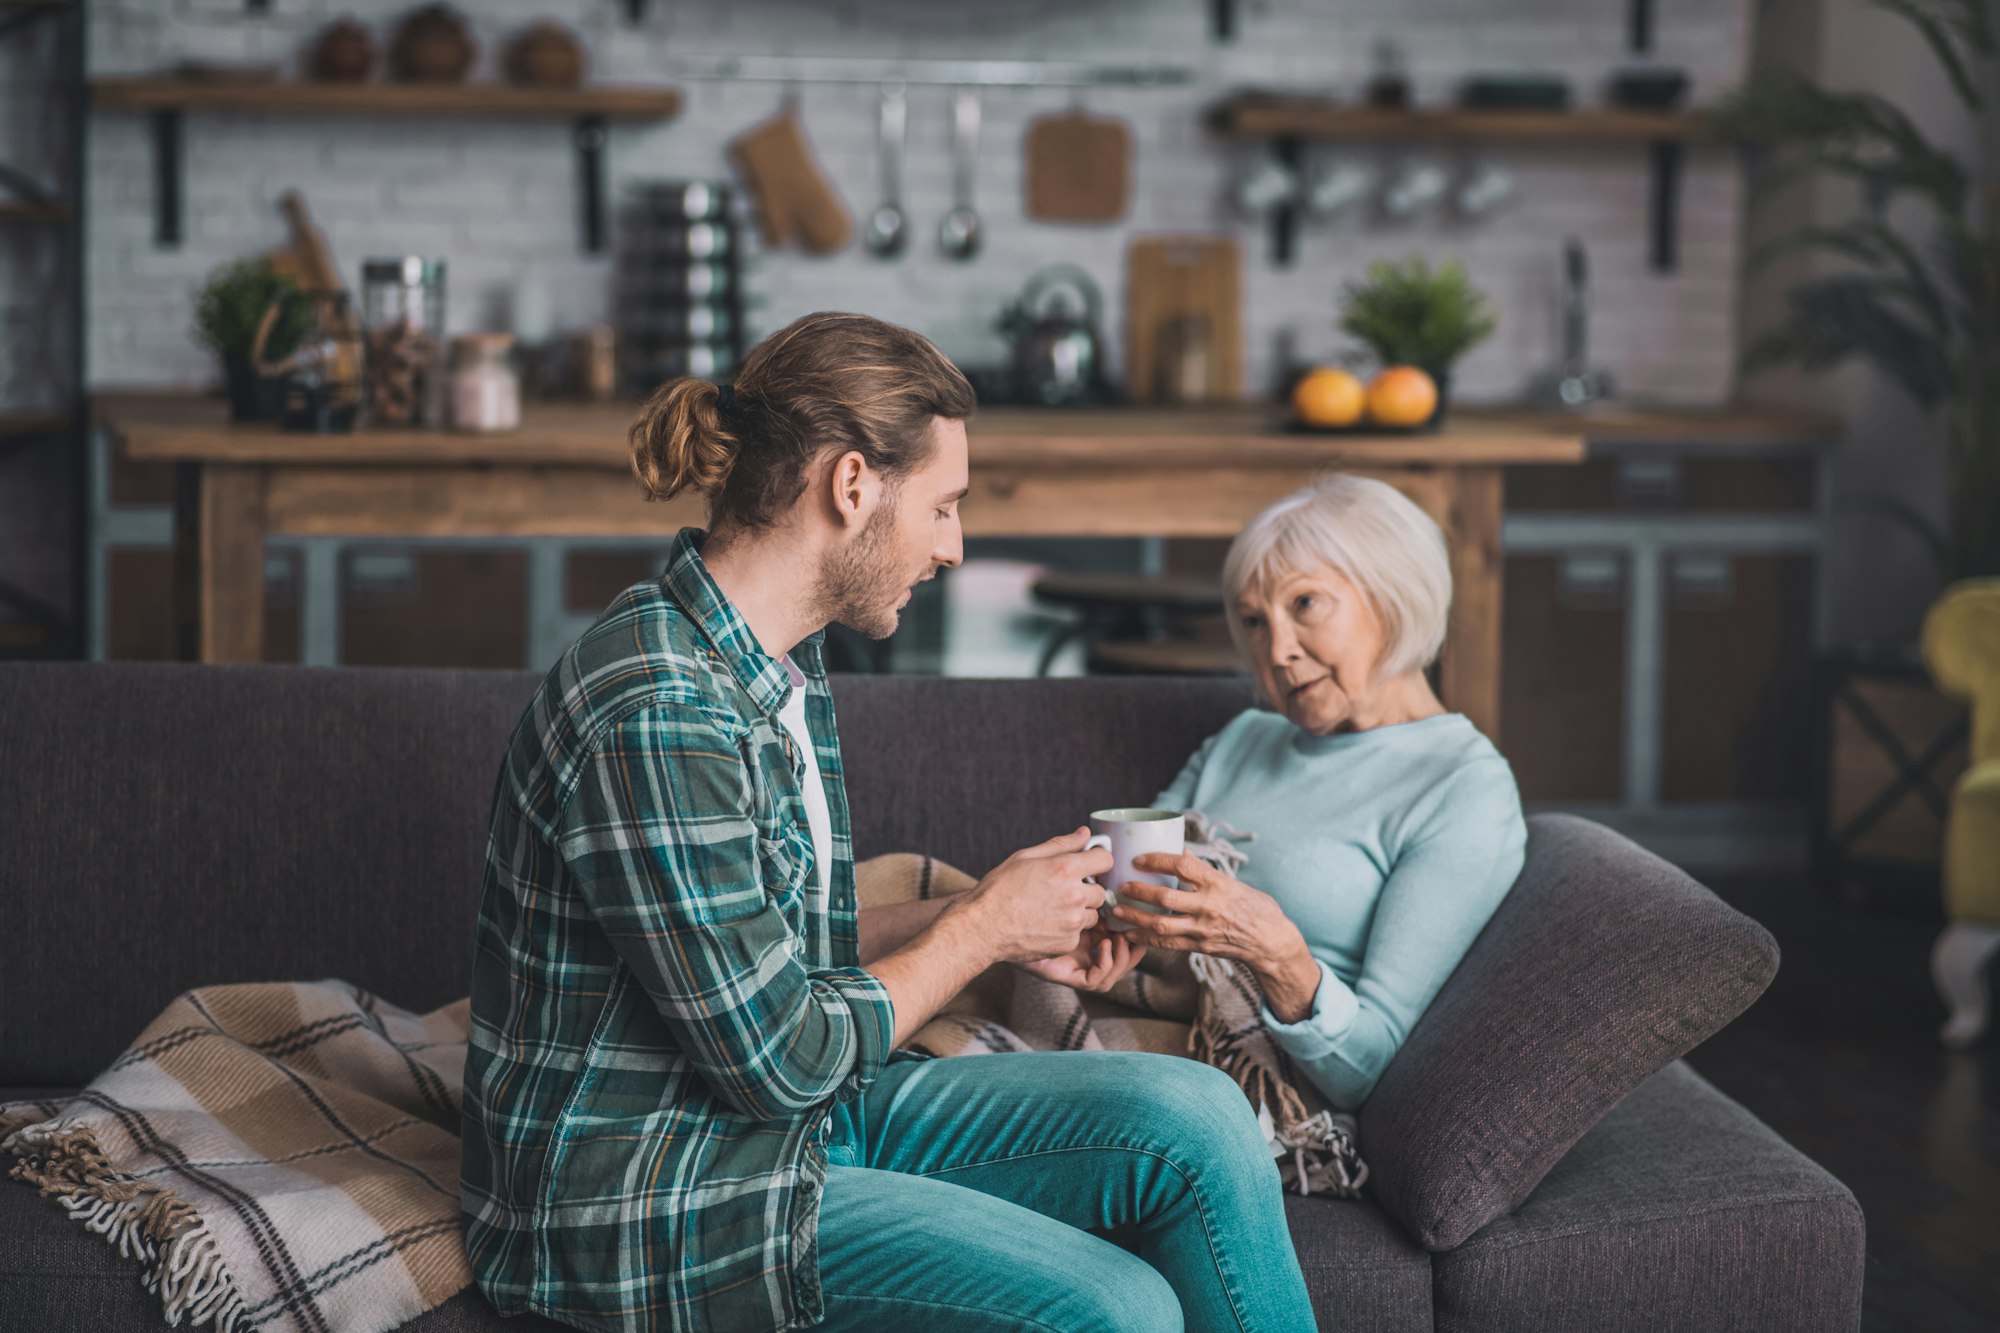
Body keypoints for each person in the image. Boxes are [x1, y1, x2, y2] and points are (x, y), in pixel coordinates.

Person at [461, 312, 1317, 1333]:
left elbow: (776, 960)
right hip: (657, 1191)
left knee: (1200, 1119)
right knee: (1119, 1310)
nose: (953, 546)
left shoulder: (777, 662)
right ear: (852, 484)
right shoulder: (657, 711)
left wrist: (1003, 916)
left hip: (792, 1128)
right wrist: (978, 931)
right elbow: (781, 1061)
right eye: (943, 506)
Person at [1107, 474, 1528, 1112]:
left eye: (1305, 604)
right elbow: (1130, 902)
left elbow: (1368, 1068)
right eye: (1254, 622)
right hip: (1130, 1011)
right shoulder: (1243, 738)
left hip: (1241, 1084)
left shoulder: (1464, 788)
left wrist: (1277, 955)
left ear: (1392, 597)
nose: (1277, 651)